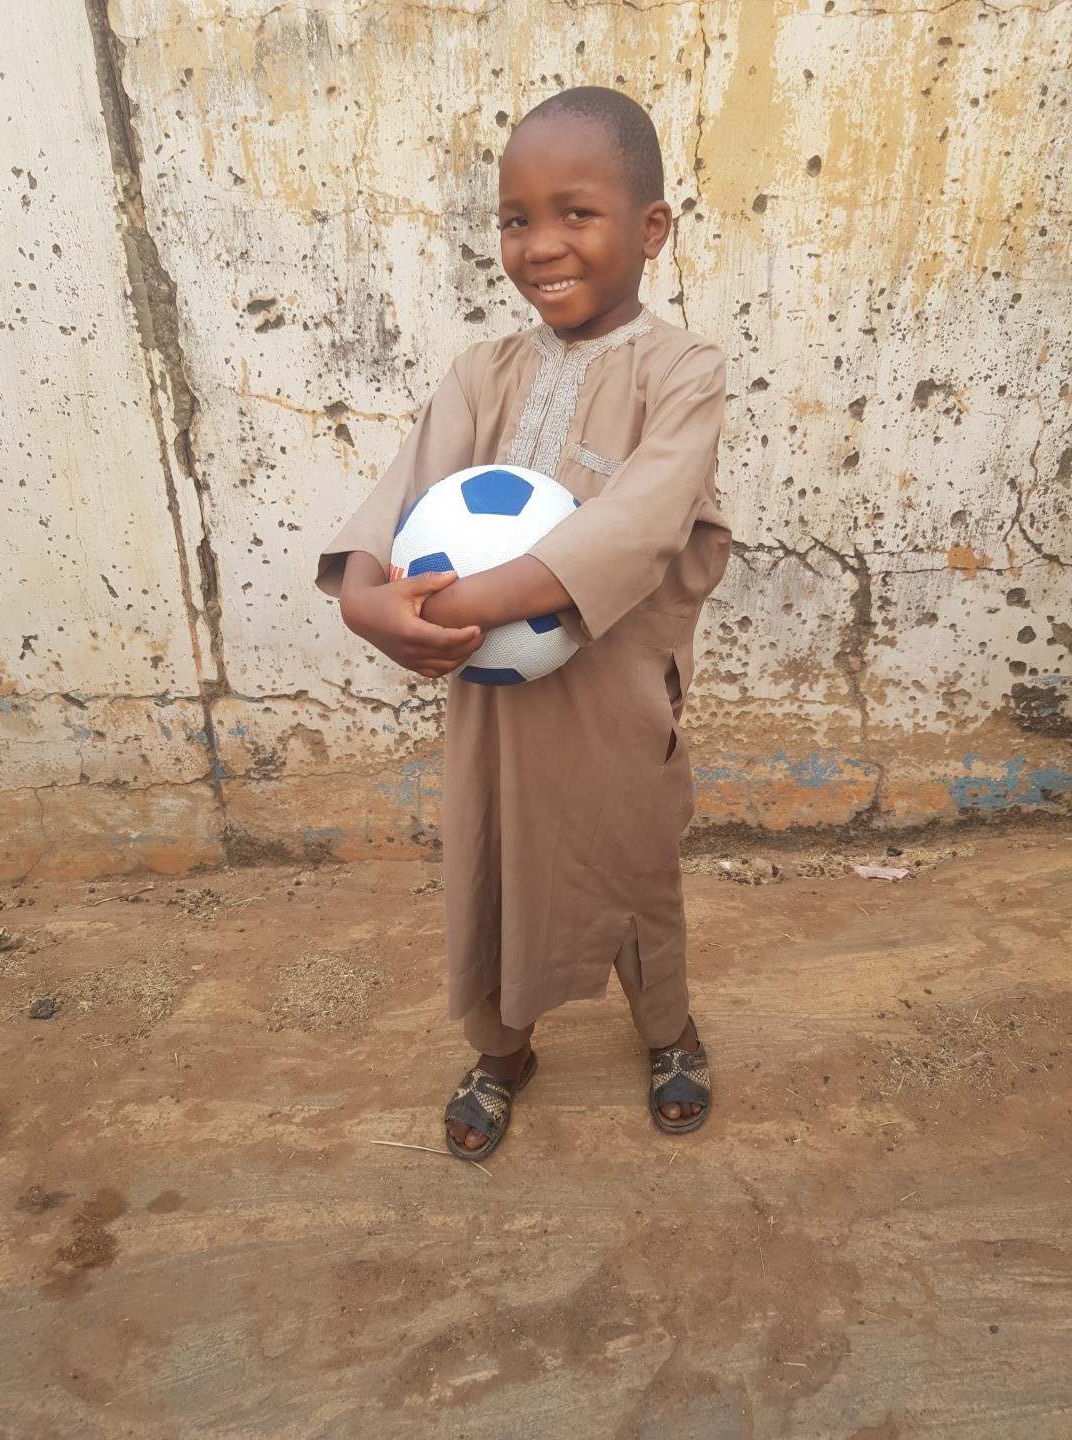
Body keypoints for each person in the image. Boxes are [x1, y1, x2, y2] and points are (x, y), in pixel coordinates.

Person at [316, 86, 731, 1160]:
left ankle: (668, 1029)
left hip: (616, 701)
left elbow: (642, 525)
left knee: (633, 868)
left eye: (575, 213)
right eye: (515, 219)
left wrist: (453, 602)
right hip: (491, 703)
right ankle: (501, 1048)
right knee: (489, 867)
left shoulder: (684, 373)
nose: (540, 245)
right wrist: (364, 595)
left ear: (651, 228)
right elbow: (401, 493)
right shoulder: (481, 374)